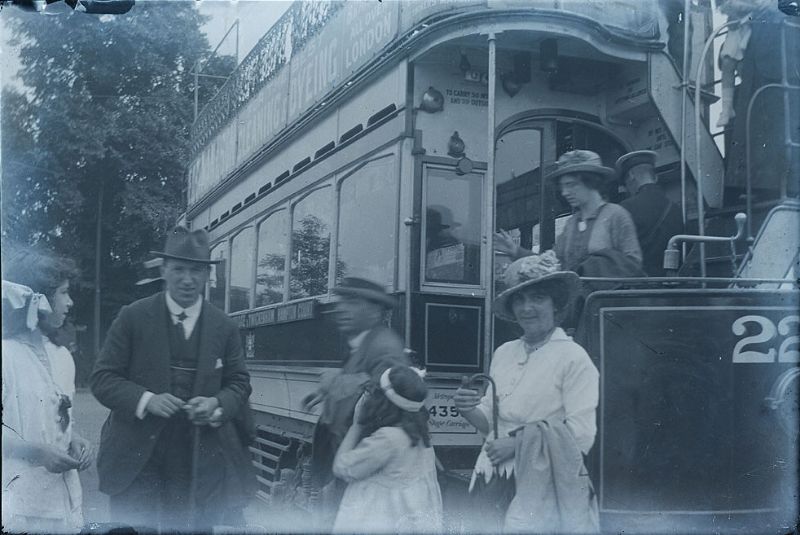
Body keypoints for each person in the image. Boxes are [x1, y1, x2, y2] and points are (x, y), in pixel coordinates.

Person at [90, 226, 253, 532]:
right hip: (135, 460)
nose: (187, 279)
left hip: (197, 462)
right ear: (164, 270)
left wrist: (216, 404)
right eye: (178, 269)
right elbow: (102, 378)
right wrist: (147, 400)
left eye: (196, 270)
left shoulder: (225, 327)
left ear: (207, 275)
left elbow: (240, 383)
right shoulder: (132, 317)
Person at [453, 251, 600, 533]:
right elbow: (490, 422)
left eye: (537, 298)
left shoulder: (573, 357)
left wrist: (518, 445)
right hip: (490, 475)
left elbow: (581, 435)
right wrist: (468, 408)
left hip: (541, 483)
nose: (527, 308)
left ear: (556, 304)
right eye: (519, 300)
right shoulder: (505, 352)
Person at [302, 277, 410, 527]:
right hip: (353, 464)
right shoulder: (366, 342)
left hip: (366, 470)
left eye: (351, 302)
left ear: (374, 311)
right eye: (340, 301)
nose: (340, 308)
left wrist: (334, 383)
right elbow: (362, 380)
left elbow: (383, 390)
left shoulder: (385, 346)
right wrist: (329, 388)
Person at [2, 247, 94, 534]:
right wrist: (34, 451)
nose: (70, 302)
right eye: (63, 293)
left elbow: (54, 417)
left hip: (60, 502)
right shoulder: (6, 354)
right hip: (17, 506)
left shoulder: (62, 356)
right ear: (35, 299)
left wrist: (74, 438)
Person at [496, 150, 643, 279]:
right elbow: (552, 265)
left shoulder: (616, 215)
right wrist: (516, 251)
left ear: (591, 182)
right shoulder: (572, 224)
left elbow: (633, 264)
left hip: (605, 303)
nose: (565, 192)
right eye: (563, 187)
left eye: (571, 185)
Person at [332, 365, 443, 534]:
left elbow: (342, 467)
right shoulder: (420, 435)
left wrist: (356, 425)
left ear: (382, 401)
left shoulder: (388, 439)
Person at [616, 150, 684, 276]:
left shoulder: (626, 207)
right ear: (656, 177)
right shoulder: (676, 209)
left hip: (637, 286)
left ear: (631, 176)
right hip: (669, 285)